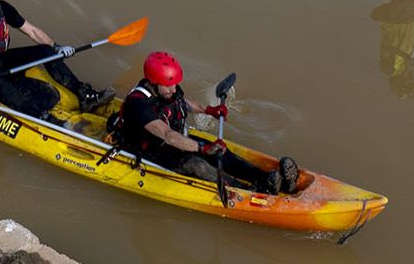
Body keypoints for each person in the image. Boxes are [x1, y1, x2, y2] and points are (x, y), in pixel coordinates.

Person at [113, 52, 298, 195]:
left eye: (175, 84)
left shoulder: (168, 88)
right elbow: (168, 135)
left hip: (173, 141)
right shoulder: (138, 104)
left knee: (222, 153)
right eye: (169, 86)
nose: (174, 89)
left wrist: (208, 110)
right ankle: (248, 191)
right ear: (153, 83)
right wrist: (202, 148)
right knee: (196, 164)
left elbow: (182, 102)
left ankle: (267, 180)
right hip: (149, 150)